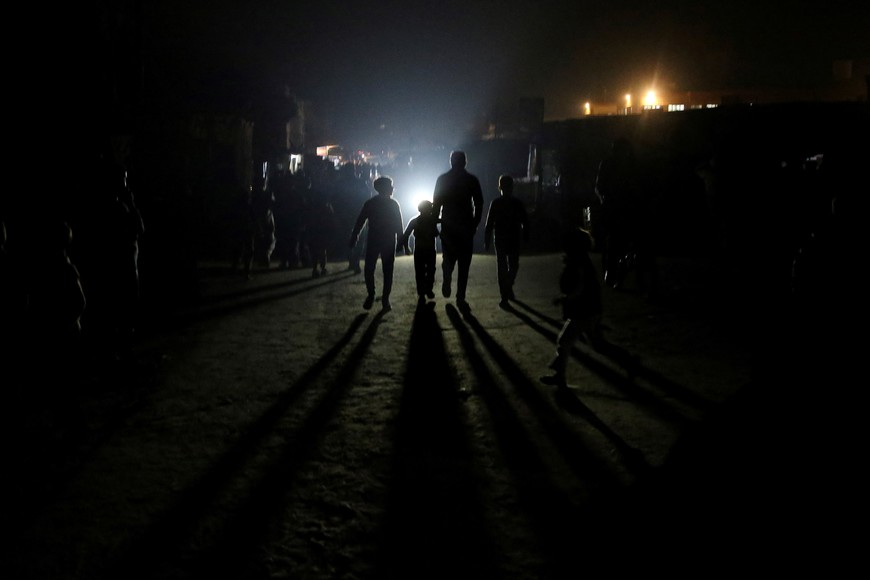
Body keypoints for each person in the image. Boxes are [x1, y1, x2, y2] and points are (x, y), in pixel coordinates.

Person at [540, 227, 603, 389]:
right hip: (589, 310)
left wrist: (564, 299)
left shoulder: (578, 263)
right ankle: (630, 363)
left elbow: (579, 288)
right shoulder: (581, 260)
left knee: (565, 341)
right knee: (596, 344)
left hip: (583, 311)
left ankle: (559, 376)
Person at [432, 150, 484, 305]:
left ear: (451, 162)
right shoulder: (471, 180)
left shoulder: (442, 179)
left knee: (448, 257)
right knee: (464, 262)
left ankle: (447, 278)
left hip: (448, 224)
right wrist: (475, 222)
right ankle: (460, 295)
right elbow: (479, 203)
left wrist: (435, 223)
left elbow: (437, 204)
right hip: (466, 225)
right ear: (465, 162)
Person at [349, 175, 405, 311]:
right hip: (388, 240)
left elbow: (360, 221)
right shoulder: (393, 204)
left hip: (374, 238)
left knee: (369, 268)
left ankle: (371, 294)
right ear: (386, 188)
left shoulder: (371, 203)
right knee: (388, 270)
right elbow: (399, 225)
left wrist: (354, 235)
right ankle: (385, 299)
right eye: (391, 186)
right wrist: (402, 242)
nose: (393, 188)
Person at [595, 137, 641, 289]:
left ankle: (613, 274)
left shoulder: (609, 164)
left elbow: (599, 186)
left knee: (615, 244)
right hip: (623, 209)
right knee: (620, 243)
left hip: (617, 209)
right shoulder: (628, 164)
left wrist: (605, 200)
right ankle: (617, 275)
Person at [484, 174, 530, 305]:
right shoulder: (516, 203)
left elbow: (489, 224)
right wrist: (526, 237)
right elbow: (525, 222)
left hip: (501, 238)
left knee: (503, 267)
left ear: (500, 187)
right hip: (513, 237)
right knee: (512, 265)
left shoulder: (496, 203)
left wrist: (487, 240)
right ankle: (507, 289)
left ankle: (505, 292)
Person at [400, 199, 441, 304]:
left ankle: (422, 292)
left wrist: (405, 246)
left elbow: (406, 234)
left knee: (420, 272)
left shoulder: (415, 221)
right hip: (429, 250)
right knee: (430, 270)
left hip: (420, 250)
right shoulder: (433, 220)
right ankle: (427, 290)